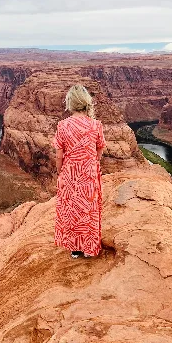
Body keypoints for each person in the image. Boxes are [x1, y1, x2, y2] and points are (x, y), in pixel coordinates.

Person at [53, 85, 106, 259]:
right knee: (88, 210)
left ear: (70, 103)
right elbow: (100, 150)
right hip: (89, 172)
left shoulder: (62, 126)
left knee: (72, 210)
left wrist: (61, 172)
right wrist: (91, 162)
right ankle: (89, 249)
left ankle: (75, 249)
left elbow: (59, 155)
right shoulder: (96, 125)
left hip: (70, 173)